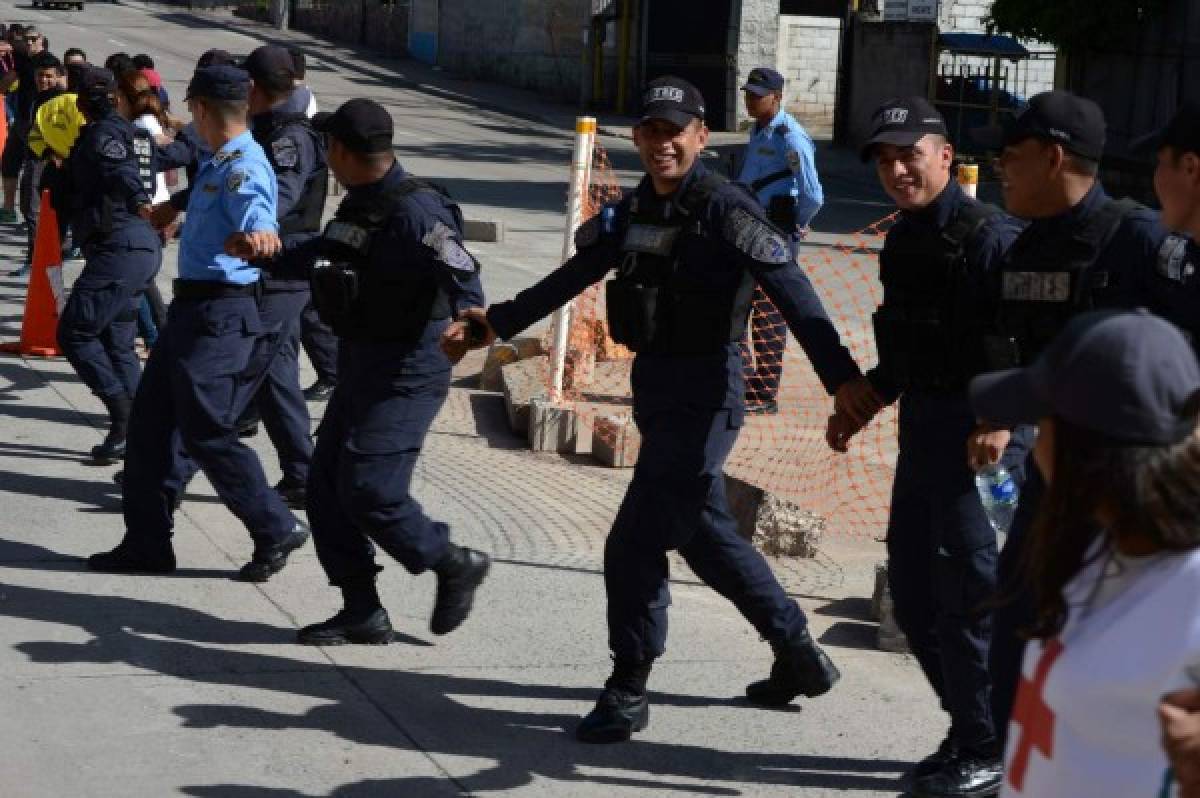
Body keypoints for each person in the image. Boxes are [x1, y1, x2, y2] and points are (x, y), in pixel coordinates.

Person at [444, 76, 874, 744]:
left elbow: (792, 289)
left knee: (635, 540)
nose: (662, 144)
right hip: (657, 392)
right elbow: (570, 279)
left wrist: (841, 379)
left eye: (676, 132)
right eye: (650, 131)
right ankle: (798, 652)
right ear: (638, 138)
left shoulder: (727, 208)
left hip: (708, 398)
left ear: (701, 138)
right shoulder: (632, 211)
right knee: (704, 536)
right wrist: (492, 324)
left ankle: (628, 684)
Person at [833, 96, 1030, 798]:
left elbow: (1033, 345)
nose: (896, 169)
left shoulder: (991, 238)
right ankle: (976, 728)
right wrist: (869, 398)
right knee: (913, 593)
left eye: (908, 154)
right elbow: (912, 347)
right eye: (884, 159)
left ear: (945, 155)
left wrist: (1005, 419)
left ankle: (988, 745)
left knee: (970, 595)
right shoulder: (905, 238)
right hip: (924, 432)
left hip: (984, 446)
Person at [238, 98, 490, 644]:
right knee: (326, 490)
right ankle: (362, 609)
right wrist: (265, 253)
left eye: (329, 147)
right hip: (362, 362)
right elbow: (325, 248)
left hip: (408, 370)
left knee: (371, 489)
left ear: (343, 151)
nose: (326, 157)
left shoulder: (415, 210)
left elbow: (461, 268)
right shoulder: (359, 204)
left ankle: (451, 560)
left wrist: (467, 319)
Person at [969, 90, 1176, 747]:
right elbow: (1014, 347)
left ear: (1054, 157)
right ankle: (1012, 761)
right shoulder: (1026, 247)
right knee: (1016, 617)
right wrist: (1004, 421)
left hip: (1139, 487)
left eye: (1012, 155)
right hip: (1053, 472)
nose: (1000, 166)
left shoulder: (1141, 240)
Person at [87, 64, 309, 581]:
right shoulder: (219, 159)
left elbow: (258, 211)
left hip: (221, 315)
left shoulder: (244, 165)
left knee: (207, 430)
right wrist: (174, 212)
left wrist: (260, 236)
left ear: (203, 109)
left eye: (192, 108)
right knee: (148, 427)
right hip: (193, 311)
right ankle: (147, 544)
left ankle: (275, 525)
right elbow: (213, 196)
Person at [967, 308, 1200, 798]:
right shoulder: (1095, 548)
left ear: (1083, 446)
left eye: (1042, 421)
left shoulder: (1190, 584)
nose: (1034, 446)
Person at [232, 44, 326, 507]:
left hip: (281, 268)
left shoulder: (290, 135)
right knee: (274, 377)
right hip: (273, 268)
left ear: (255, 86)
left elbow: (281, 194)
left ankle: (161, 471)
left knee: (231, 374)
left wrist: (256, 230)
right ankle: (302, 474)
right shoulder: (270, 128)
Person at [54, 66, 161, 464]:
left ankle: (123, 414)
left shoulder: (104, 134)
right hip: (127, 248)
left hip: (122, 244)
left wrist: (140, 200)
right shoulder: (126, 131)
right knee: (117, 343)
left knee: (75, 333)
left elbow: (122, 172)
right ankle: (136, 434)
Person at [736, 67, 824, 415]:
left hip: (774, 232)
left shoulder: (790, 137)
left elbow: (813, 194)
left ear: (777, 97)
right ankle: (742, 382)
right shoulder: (758, 133)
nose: (751, 100)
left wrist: (796, 224)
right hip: (747, 228)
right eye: (748, 93)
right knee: (738, 302)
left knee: (769, 312)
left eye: (758, 95)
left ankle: (764, 393)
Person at [287, 46, 340, 400]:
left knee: (306, 314)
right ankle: (332, 373)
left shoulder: (306, 152)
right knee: (307, 314)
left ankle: (333, 374)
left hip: (299, 236)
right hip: (301, 235)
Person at [115, 69, 170, 351]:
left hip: (148, 207)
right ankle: (154, 334)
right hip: (151, 204)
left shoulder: (142, 125)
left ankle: (155, 335)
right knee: (143, 279)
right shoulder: (144, 122)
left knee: (142, 280)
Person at [10, 52, 65, 278]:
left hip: (47, 160)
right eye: (40, 76)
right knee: (30, 209)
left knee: (34, 209)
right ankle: (38, 256)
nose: (44, 80)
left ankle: (37, 258)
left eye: (49, 76)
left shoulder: (60, 100)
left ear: (59, 76)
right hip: (36, 158)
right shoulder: (37, 96)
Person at [0, 27, 46, 225]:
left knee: (33, 172)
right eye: (26, 39)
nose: (29, 43)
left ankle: (33, 217)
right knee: (9, 163)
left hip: (38, 124)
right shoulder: (22, 58)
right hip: (21, 120)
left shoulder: (47, 61)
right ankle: (9, 208)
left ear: (40, 40)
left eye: (33, 39)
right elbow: (9, 77)